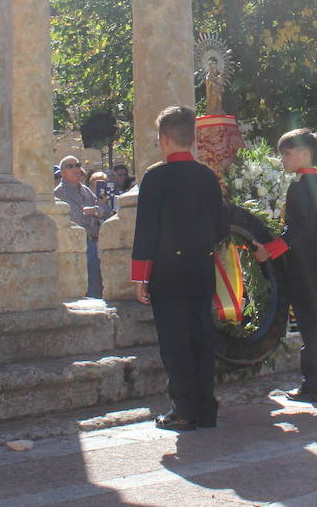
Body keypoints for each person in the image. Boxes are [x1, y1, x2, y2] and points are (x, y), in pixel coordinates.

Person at [129, 106, 229, 431]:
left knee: (175, 342)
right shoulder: (207, 176)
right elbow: (221, 230)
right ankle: (206, 408)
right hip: (200, 269)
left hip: (167, 272)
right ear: (192, 138)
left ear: (163, 139)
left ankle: (183, 409)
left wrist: (140, 277)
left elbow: (146, 231)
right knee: (202, 338)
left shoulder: (155, 177)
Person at [254, 128, 317, 403]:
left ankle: (314, 383)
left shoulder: (301, 186)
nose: (283, 159)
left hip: (302, 263)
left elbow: (298, 228)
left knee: (310, 323)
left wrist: (270, 251)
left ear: (305, 153)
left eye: (287, 154)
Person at [55, 156, 104, 298]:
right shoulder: (58, 194)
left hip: (94, 244)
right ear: (62, 172)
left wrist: (96, 210)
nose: (75, 169)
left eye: (77, 165)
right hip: (74, 247)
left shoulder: (87, 191)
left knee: (96, 288)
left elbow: (105, 210)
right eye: (70, 166)